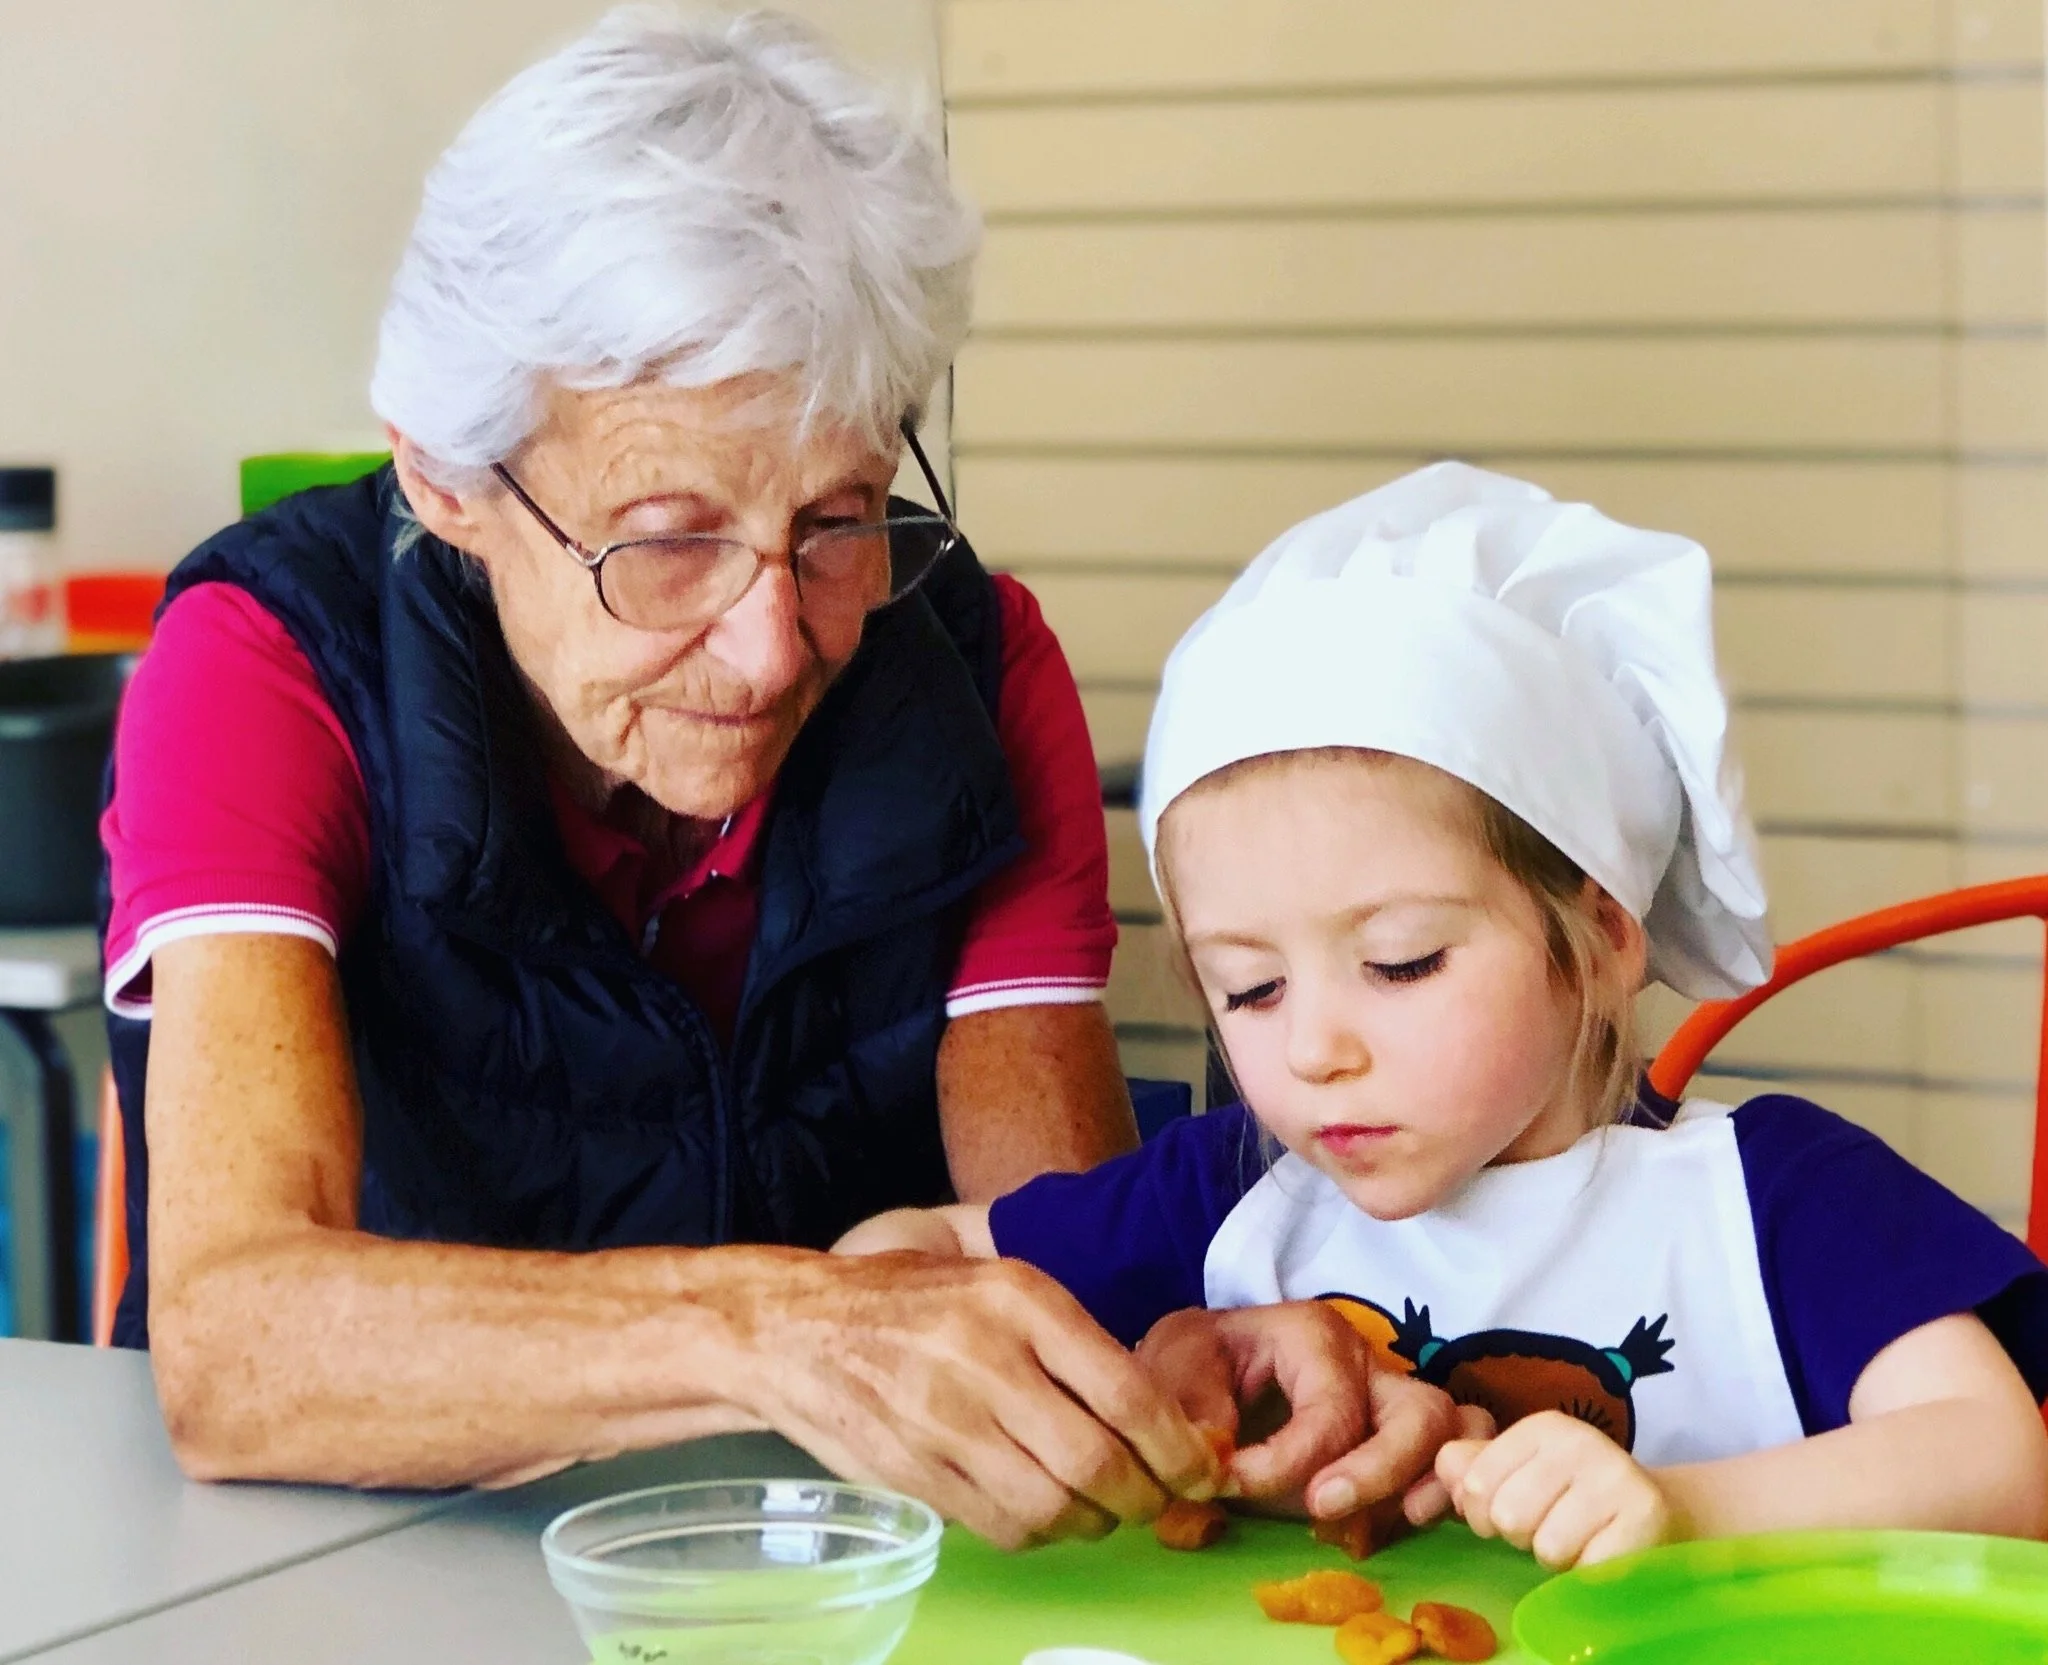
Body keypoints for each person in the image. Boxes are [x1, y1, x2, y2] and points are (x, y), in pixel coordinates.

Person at [95, 7, 1462, 1544]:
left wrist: (1215, 1351)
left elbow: (1070, 1261)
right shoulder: (270, 659)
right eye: (669, 540)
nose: (767, 653)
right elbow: (235, 1346)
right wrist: (775, 1328)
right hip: (347, 1559)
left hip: (826, 1569)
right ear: (447, 479)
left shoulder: (973, 668)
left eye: (835, 519)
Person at [839, 462, 2048, 1564]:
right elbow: (893, 1265)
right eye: (1248, 988)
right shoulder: (1225, 1199)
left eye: (1401, 962)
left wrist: (1679, 1505)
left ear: (1599, 942)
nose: (1312, 1049)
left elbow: (2001, 1462)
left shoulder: (1774, 1199)